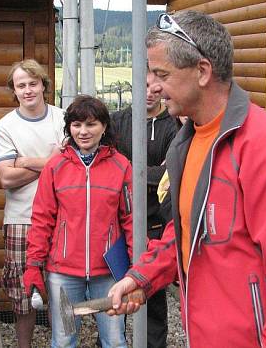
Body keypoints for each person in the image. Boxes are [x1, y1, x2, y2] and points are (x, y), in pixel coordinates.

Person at [106, 11, 266, 347]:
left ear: (203, 72)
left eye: (161, 74)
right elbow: (186, 229)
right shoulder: (186, 142)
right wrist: (143, 276)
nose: (152, 86)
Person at [23, 95, 133, 347]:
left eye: (91, 124)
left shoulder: (121, 166)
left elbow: (130, 220)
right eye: (76, 125)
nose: (83, 131)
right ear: (69, 128)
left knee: (115, 340)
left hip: (108, 272)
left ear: (104, 127)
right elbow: (42, 218)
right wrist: (33, 265)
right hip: (63, 272)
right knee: (63, 341)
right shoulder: (55, 166)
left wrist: (136, 266)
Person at [0, 59, 65, 347]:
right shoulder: (6, 126)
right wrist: (51, 162)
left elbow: (69, 165)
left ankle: (62, 342)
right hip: (21, 219)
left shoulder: (62, 118)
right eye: (21, 85)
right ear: (14, 89)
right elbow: (7, 178)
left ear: (44, 85)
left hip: (62, 216)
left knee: (61, 289)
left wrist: (30, 161)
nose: (27, 90)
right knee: (23, 295)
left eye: (32, 83)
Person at [110, 81, 177, 348]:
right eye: (143, 84)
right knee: (117, 295)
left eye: (155, 86)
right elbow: (109, 166)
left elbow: (170, 173)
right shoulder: (117, 122)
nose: (148, 91)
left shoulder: (172, 126)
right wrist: (150, 174)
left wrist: (128, 170)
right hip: (119, 222)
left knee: (153, 299)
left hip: (156, 224)